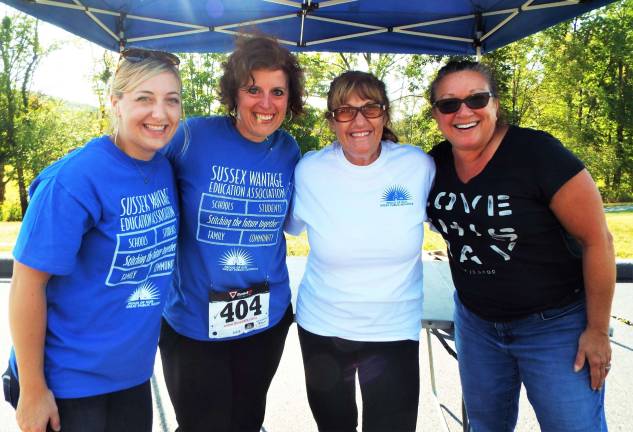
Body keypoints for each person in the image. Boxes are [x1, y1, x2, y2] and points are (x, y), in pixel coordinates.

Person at [426, 60, 615, 431]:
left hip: (554, 325)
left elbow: (598, 240)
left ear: (496, 104)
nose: (463, 111)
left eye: (476, 99)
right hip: (476, 323)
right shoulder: (435, 164)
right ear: (436, 114)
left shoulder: (537, 154)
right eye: (449, 104)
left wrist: (596, 329)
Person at [4, 48, 182, 432]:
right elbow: (26, 283)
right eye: (144, 99)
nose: (161, 113)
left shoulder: (162, 166)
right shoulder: (72, 180)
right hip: (68, 383)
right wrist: (33, 390)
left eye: (172, 100)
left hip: (132, 377)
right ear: (115, 103)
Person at [159, 35, 304, 432]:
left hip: (265, 322)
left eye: (277, 91)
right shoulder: (190, 136)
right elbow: (131, 162)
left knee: (247, 422)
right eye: (253, 89)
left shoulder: (289, 151)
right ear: (234, 93)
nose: (265, 103)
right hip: (192, 324)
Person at [285, 71, 436, 432]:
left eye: (370, 108)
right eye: (345, 111)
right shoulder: (310, 170)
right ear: (331, 120)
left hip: (393, 330)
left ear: (385, 115)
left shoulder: (417, 166)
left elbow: (456, 224)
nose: (359, 121)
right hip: (323, 328)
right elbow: (287, 227)